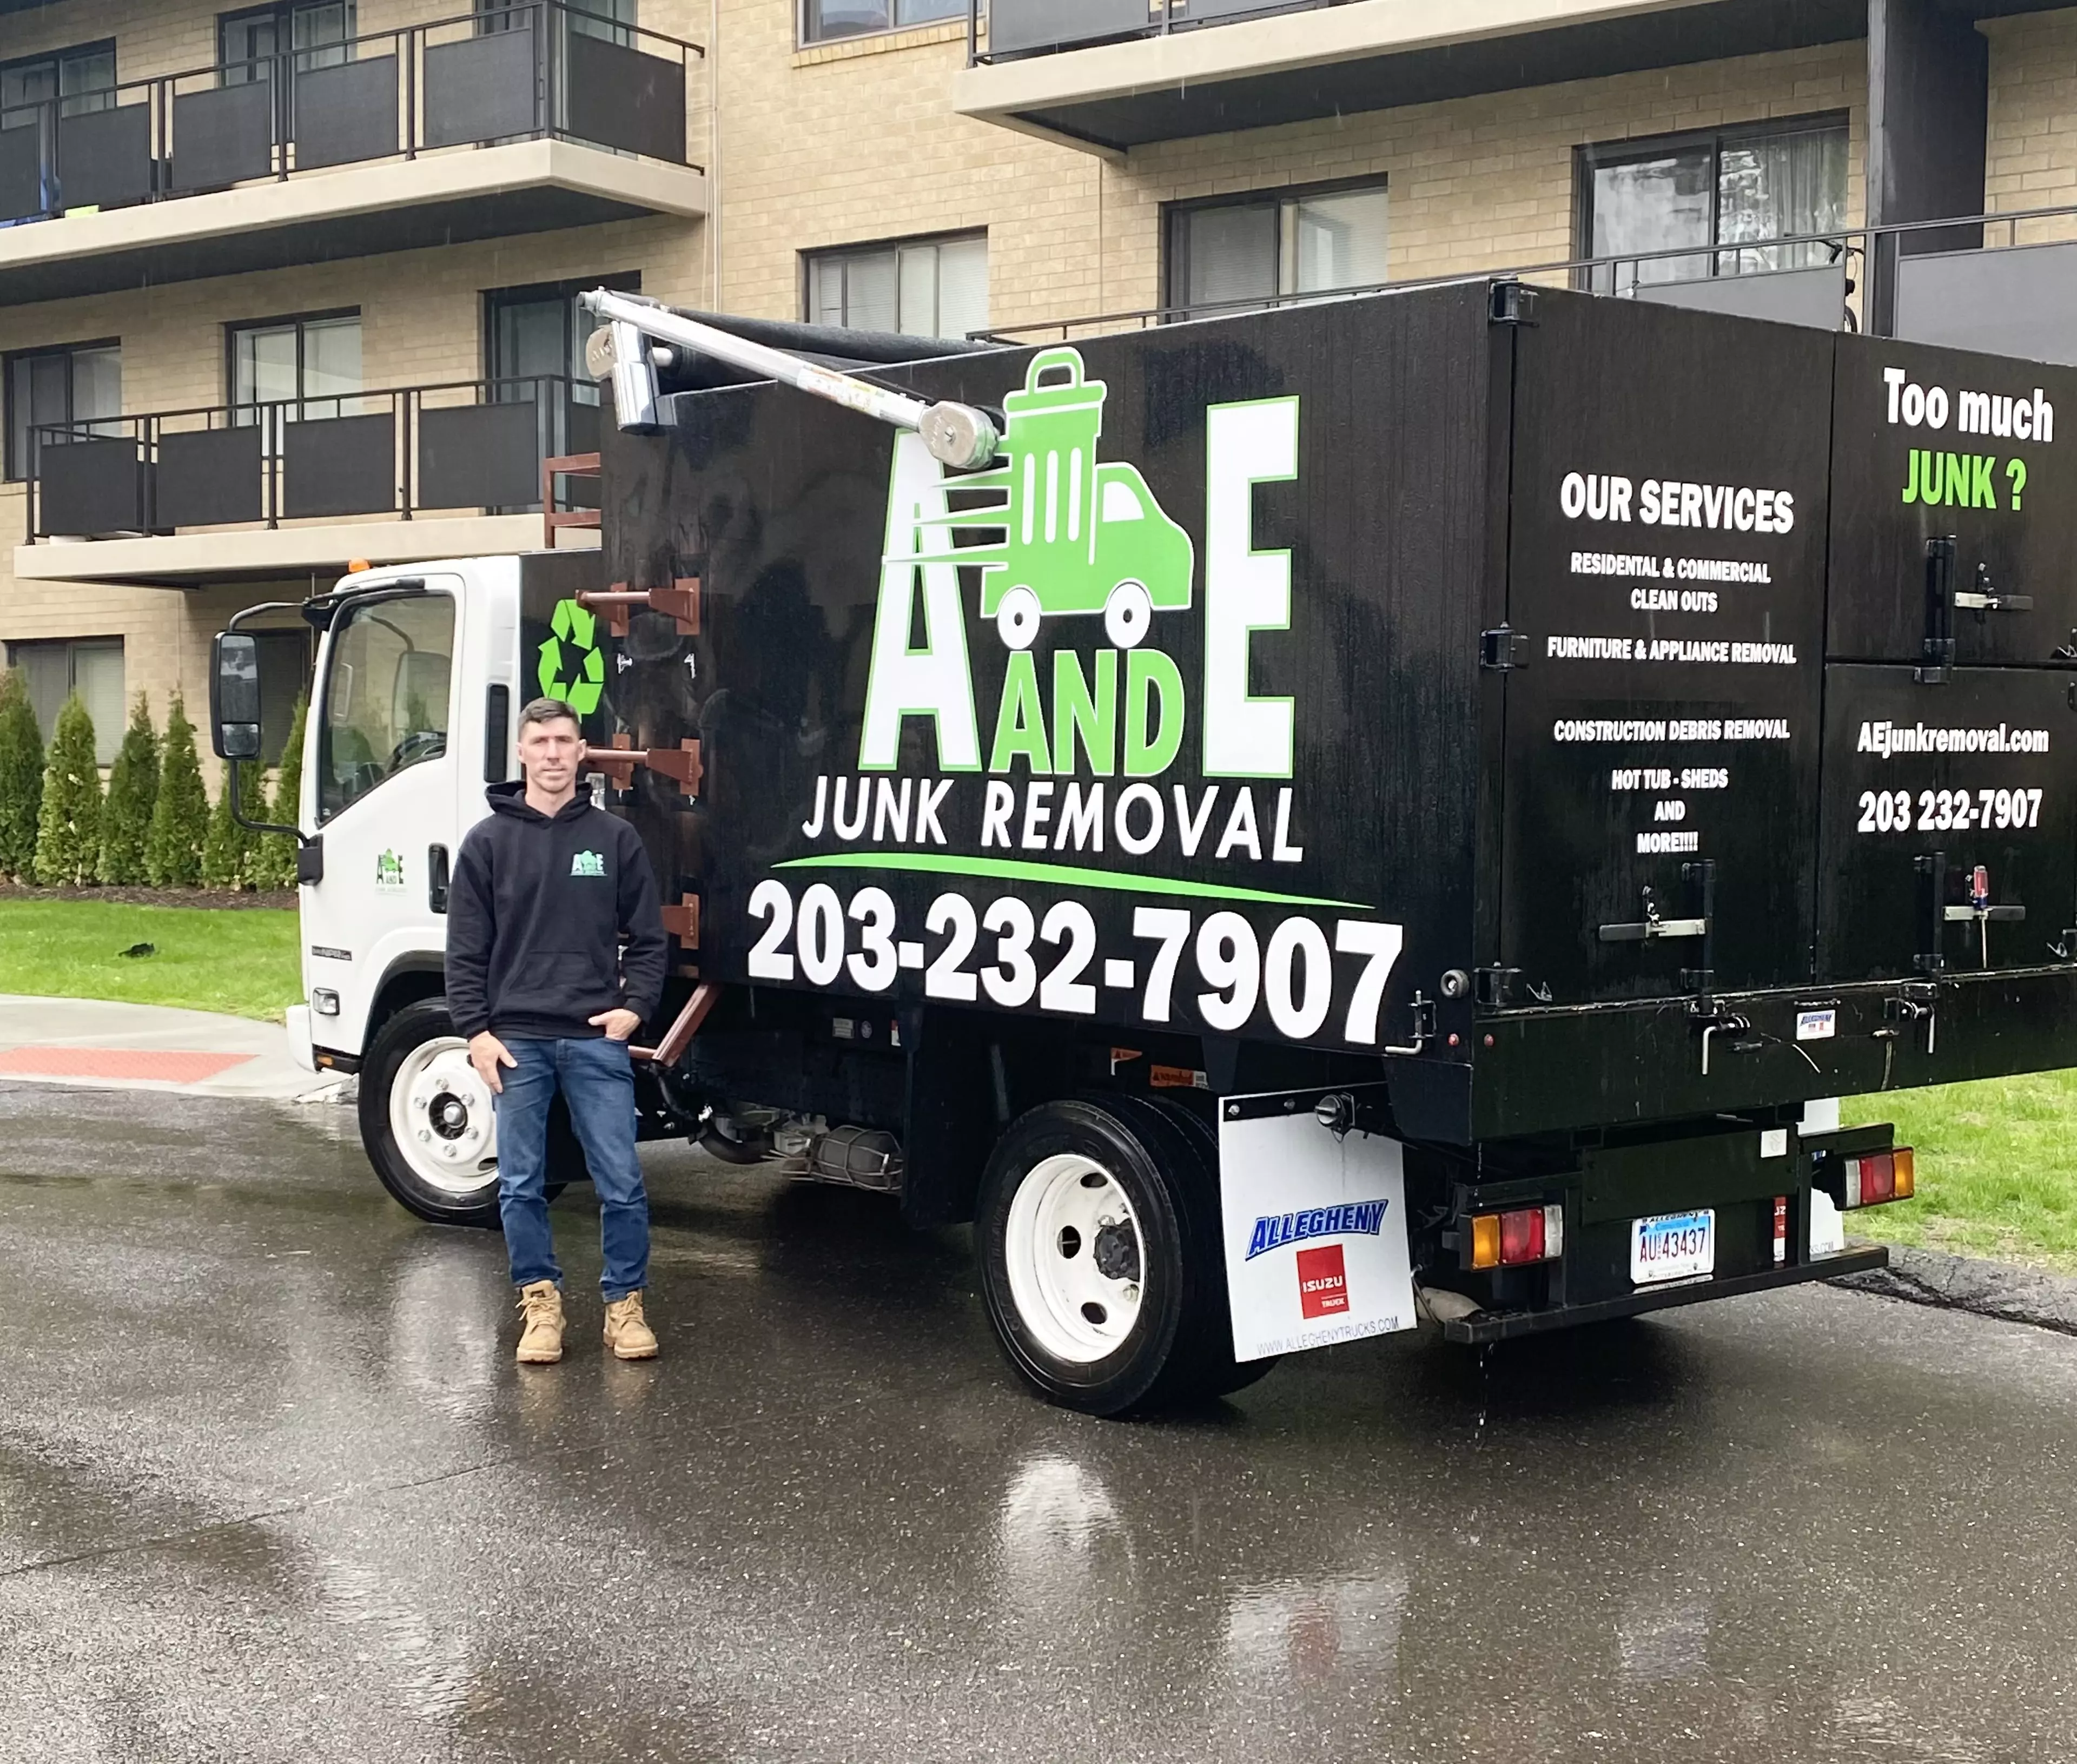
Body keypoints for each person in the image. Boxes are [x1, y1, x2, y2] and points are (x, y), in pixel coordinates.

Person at [445, 696, 670, 1365]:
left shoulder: (614, 839)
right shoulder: (487, 843)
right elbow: (464, 950)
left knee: (622, 1180)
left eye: (563, 741)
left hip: (594, 1039)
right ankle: (540, 1307)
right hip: (516, 1042)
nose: (551, 753)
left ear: (581, 752)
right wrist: (476, 1032)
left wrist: (634, 1009)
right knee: (519, 1183)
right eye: (539, 741)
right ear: (521, 752)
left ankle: (624, 1309)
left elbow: (650, 941)